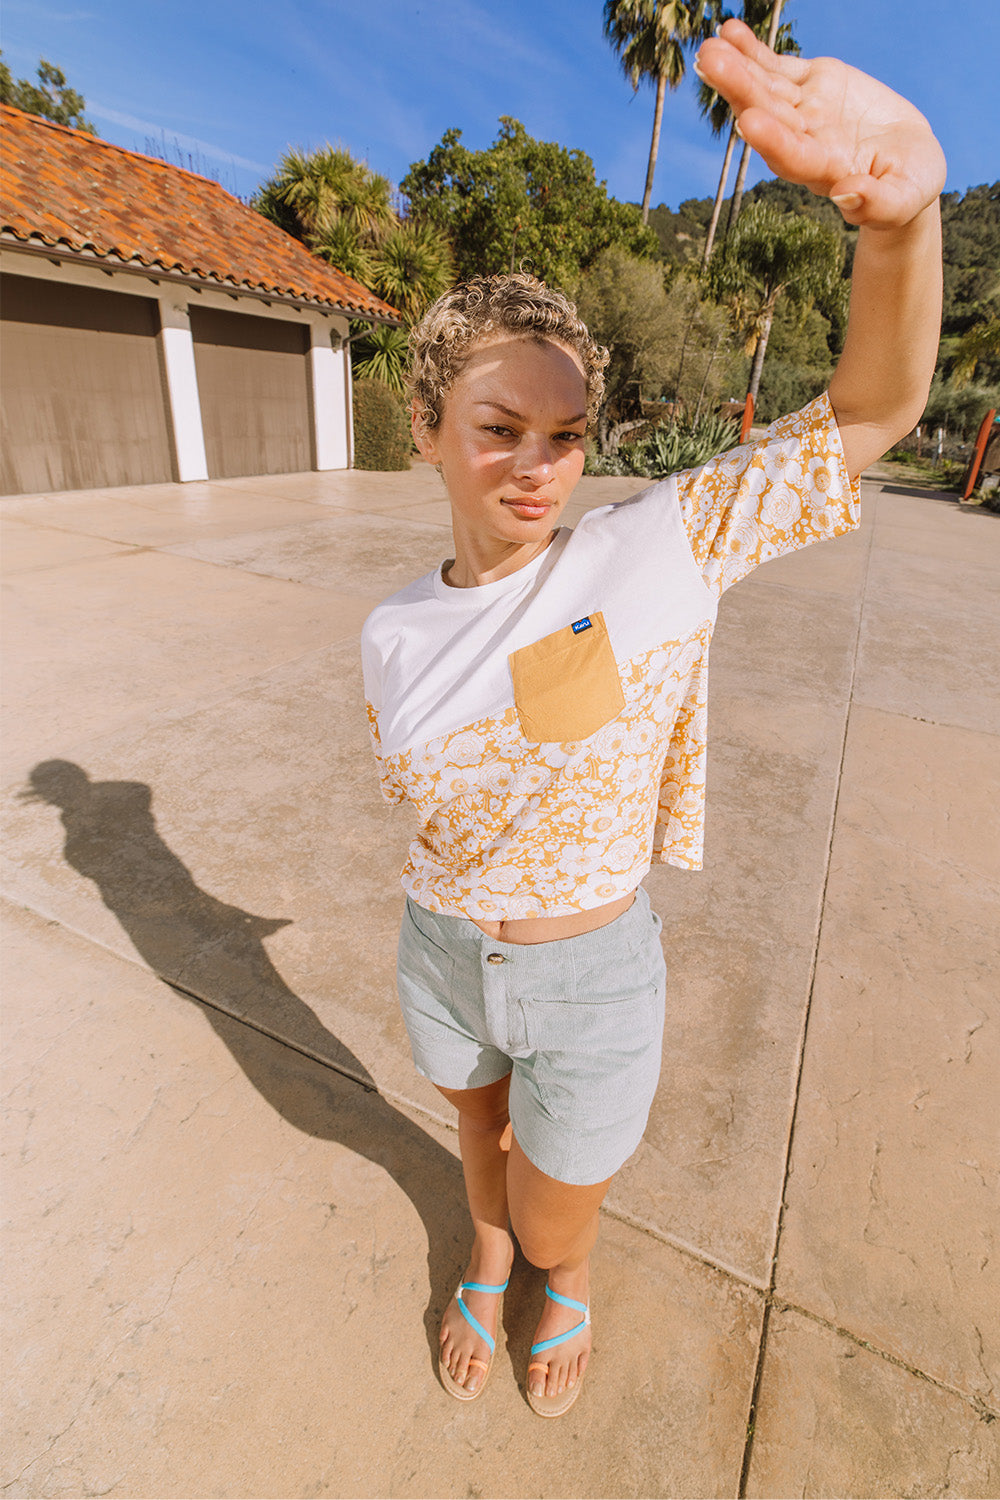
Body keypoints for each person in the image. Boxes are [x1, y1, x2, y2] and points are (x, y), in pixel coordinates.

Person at [360, 19, 945, 1417]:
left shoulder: (655, 550)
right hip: (441, 947)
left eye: (566, 435)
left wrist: (902, 225)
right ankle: (487, 1257)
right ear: (428, 424)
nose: (539, 466)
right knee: (477, 1132)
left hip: (591, 978)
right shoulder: (389, 629)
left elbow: (872, 413)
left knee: (557, 1205)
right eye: (499, 428)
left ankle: (558, 1271)